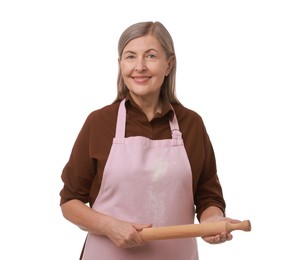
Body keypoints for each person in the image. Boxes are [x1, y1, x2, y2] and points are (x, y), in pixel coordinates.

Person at [59, 21, 240, 260]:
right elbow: (70, 201)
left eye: (151, 56)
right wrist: (109, 226)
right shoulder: (99, 123)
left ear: (169, 65)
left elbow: (208, 195)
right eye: (131, 57)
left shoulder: (191, 124)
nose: (140, 67)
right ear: (120, 64)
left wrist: (212, 221)